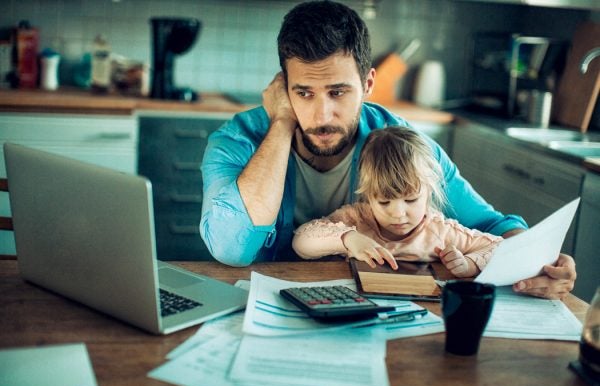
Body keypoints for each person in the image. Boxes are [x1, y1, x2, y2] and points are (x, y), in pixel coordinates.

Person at [200, 0, 576, 299]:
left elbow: (492, 226)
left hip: (369, 309)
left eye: (338, 92)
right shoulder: (238, 140)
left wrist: (538, 263)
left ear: (367, 83)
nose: (321, 115)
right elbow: (231, 248)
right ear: (283, 88)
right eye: (303, 93)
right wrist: (281, 124)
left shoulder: (399, 143)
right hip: (263, 305)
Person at [292, 126, 503, 278]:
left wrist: (469, 264)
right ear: (368, 196)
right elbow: (301, 242)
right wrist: (348, 239)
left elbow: (501, 248)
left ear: (429, 192)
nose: (398, 214)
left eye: (411, 200)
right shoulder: (356, 219)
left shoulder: (440, 231)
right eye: (384, 202)